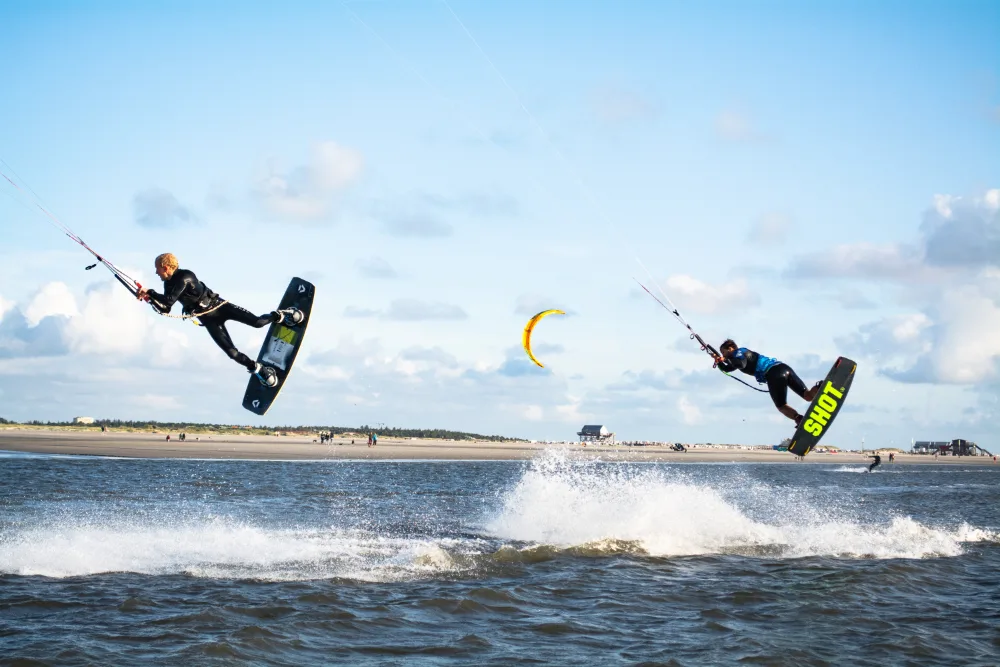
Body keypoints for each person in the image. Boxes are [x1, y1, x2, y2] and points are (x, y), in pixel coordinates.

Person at [136, 253, 303, 387]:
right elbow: (166, 308)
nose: (156, 272)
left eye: (157, 269)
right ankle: (258, 369)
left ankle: (281, 316)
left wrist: (149, 292)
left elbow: (169, 301)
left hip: (220, 307)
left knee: (258, 323)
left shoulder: (184, 276)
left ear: (165, 267)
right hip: (209, 320)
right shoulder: (168, 285)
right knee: (232, 353)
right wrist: (149, 298)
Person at [714, 339, 821, 426]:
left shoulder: (739, 352)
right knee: (808, 396)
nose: (724, 355)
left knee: (781, 406)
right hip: (783, 368)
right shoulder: (735, 358)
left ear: (731, 348)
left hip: (773, 374)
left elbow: (741, 364)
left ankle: (799, 419)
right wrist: (718, 361)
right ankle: (820, 387)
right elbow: (728, 369)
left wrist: (724, 360)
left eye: (724, 352)